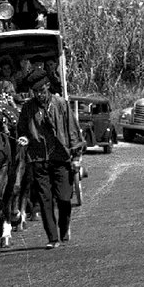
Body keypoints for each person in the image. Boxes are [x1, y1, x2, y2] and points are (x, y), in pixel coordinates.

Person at [16, 67, 85, 248]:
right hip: (38, 160)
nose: (40, 95)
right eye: (36, 92)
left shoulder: (60, 104)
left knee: (63, 198)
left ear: (48, 87)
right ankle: (52, 238)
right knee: (45, 200)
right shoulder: (28, 108)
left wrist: (76, 156)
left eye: (42, 91)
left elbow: (72, 131)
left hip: (61, 158)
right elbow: (21, 131)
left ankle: (64, 228)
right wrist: (23, 138)